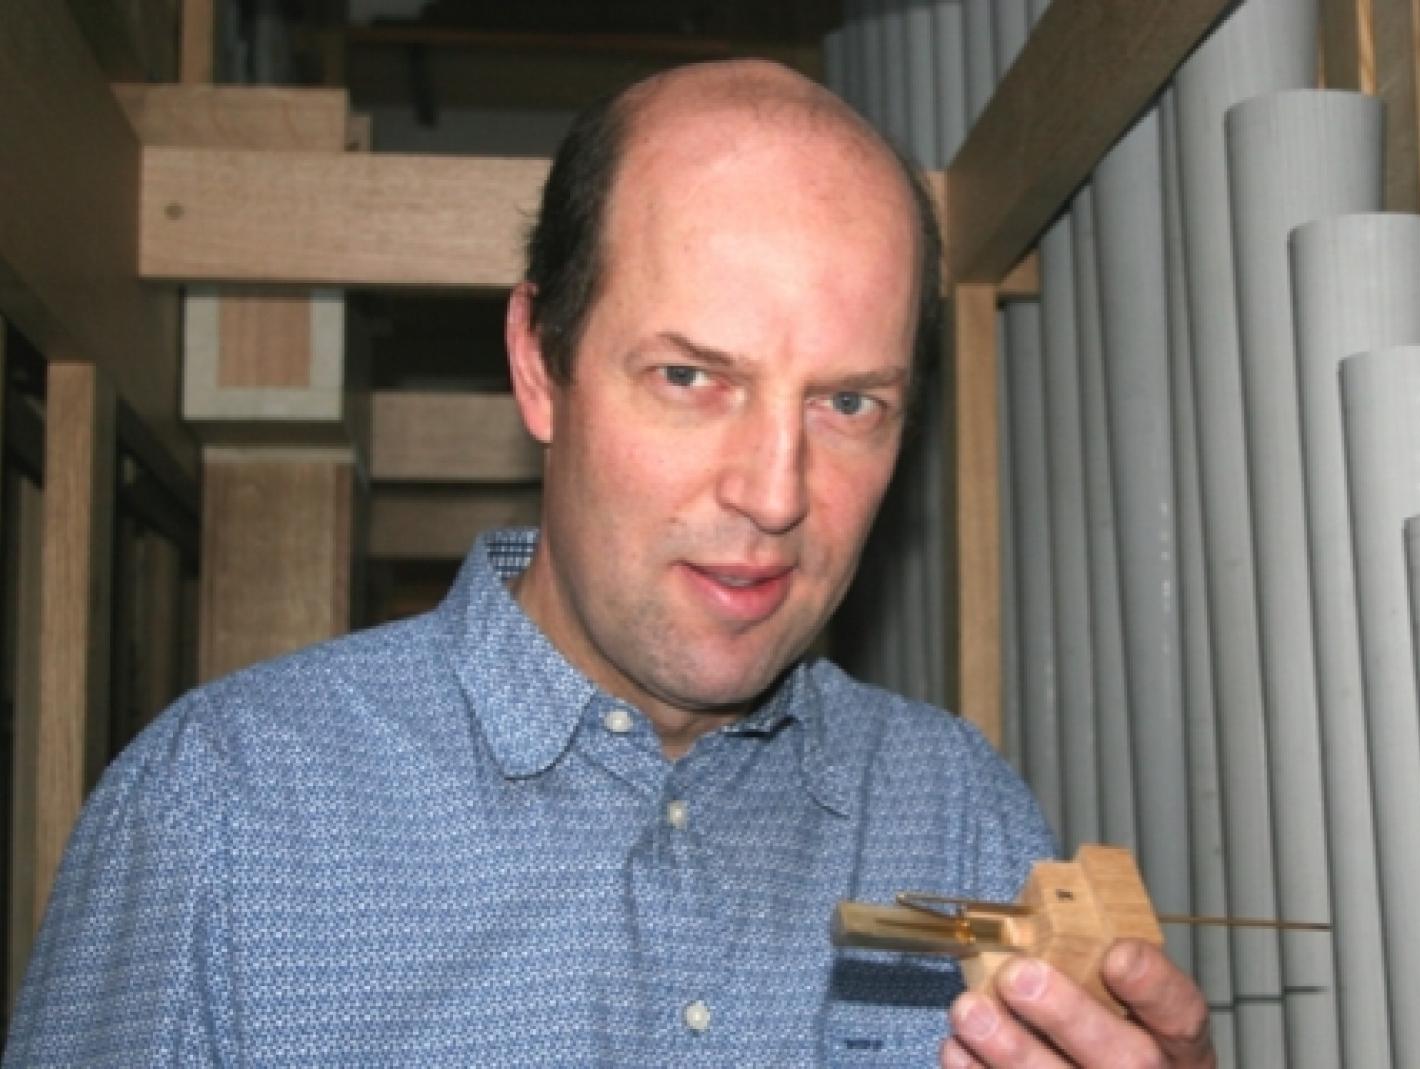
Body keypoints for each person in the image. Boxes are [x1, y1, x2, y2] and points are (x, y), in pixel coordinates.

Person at [4, 60, 1213, 1067]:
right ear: (540, 362)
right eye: (691, 377)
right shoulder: (220, 814)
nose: (775, 492)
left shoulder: (961, 815)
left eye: (847, 402)